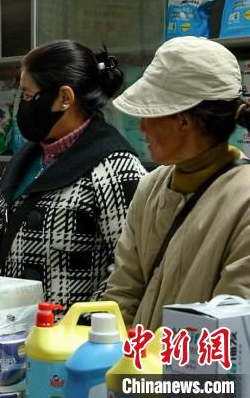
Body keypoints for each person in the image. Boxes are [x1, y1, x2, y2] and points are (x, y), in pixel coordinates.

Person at [0, 40, 146, 309]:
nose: (21, 106)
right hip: (5, 325)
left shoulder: (116, 168)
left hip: (68, 332)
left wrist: (80, 325)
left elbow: (129, 274)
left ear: (65, 98)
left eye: (27, 96)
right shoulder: (28, 158)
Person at [104, 36, 250, 329]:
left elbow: (233, 323)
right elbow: (123, 292)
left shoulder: (243, 200)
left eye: (150, 114)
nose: (141, 126)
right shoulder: (151, 186)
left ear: (184, 121)